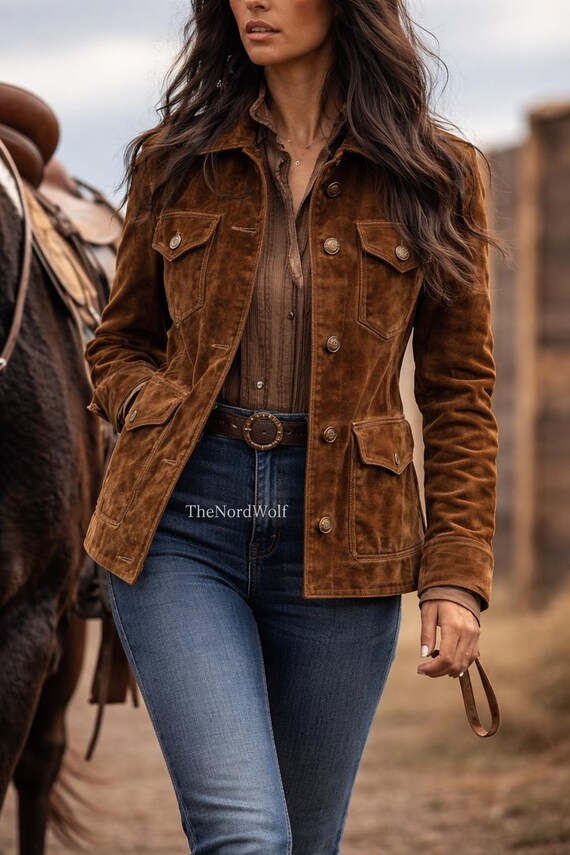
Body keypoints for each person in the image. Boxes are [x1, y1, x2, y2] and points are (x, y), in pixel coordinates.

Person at [83, 0, 506, 851]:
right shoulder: (175, 162)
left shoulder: (439, 172)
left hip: (347, 540)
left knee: (304, 841)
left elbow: (461, 393)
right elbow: (119, 345)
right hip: (180, 520)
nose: (254, 2)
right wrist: (155, 408)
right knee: (244, 835)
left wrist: (456, 575)